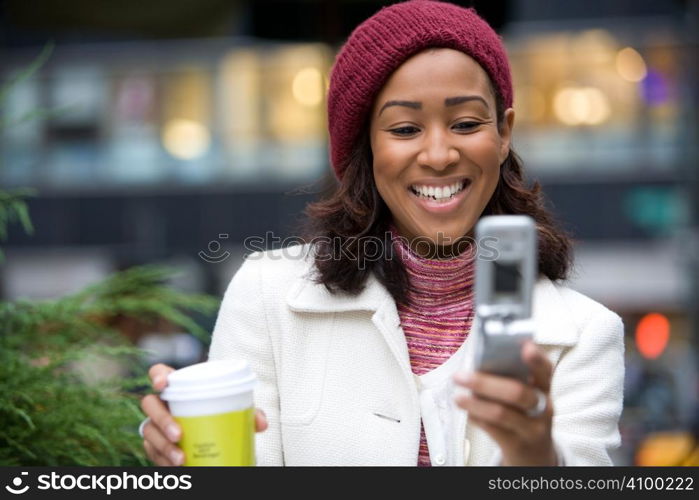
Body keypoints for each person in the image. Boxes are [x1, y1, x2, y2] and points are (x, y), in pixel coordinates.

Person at [140, 0, 624, 466]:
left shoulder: (586, 335)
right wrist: (184, 452)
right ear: (366, 146)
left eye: (466, 122)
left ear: (504, 134)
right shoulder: (266, 294)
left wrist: (538, 458)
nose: (438, 154)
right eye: (405, 129)